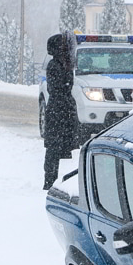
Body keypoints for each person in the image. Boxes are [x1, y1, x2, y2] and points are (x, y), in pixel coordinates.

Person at [43, 32, 78, 190]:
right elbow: (58, 89)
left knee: (62, 147)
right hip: (58, 111)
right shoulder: (55, 65)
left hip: (63, 111)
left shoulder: (62, 63)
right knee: (54, 148)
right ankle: (50, 180)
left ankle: (58, 180)